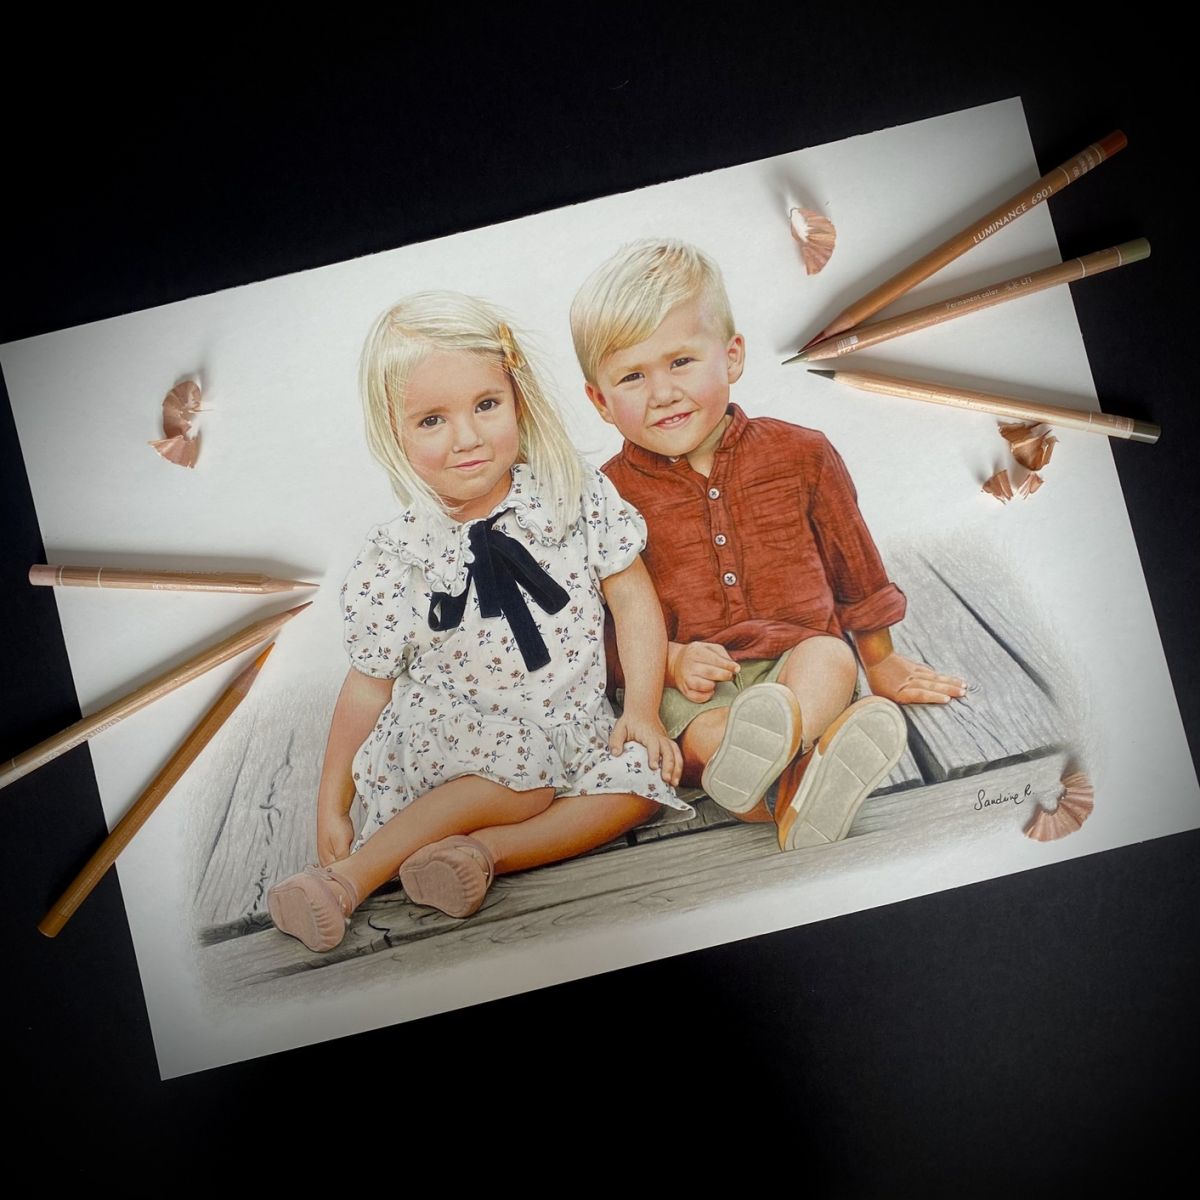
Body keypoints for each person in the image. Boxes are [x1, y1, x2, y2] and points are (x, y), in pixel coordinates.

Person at [268, 291, 687, 952]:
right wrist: (332, 800)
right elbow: (368, 685)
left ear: (517, 398)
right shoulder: (400, 558)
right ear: (394, 431)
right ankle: (346, 883)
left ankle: (478, 854)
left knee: (644, 782)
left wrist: (640, 709)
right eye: (432, 420)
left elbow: (631, 596)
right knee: (520, 777)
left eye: (486, 405)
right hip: (456, 743)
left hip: (571, 731)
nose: (467, 437)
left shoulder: (567, 494)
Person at [570, 240, 966, 851]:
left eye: (681, 361)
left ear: (732, 356)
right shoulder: (605, 500)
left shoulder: (802, 453)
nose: (662, 392)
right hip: (690, 690)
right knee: (707, 739)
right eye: (632, 376)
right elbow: (596, 629)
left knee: (830, 659)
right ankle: (804, 786)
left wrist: (881, 660)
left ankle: (784, 779)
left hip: (797, 661)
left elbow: (854, 566)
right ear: (600, 400)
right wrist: (670, 661)